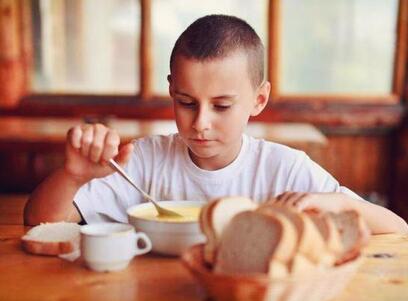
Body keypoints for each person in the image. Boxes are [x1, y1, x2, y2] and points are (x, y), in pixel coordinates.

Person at [24, 14, 408, 234]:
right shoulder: (142, 160)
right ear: (171, 90)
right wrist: (72, 176)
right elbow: (39, 222)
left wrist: (336, 202)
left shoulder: (284, 168)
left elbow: (398, 233)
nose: (201, 123)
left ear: (259, 99)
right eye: (186, 103)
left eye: (222, 106)